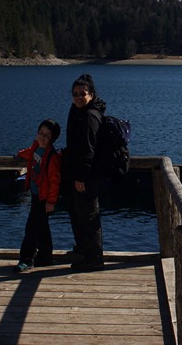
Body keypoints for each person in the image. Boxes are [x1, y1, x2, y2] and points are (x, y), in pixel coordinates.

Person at [63, 74, 107, 272]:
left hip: (86, 177)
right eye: (75, 94)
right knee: (78, 214)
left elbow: (89, 150)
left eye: (83, 94)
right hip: (76, 173)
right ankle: (83, 251)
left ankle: (94, 258)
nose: (78, 97)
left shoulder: (90, 116)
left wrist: (82, 177)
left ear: (91, 94)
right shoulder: (78, 111)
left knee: (89, 217)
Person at [14, 119, 62, 272]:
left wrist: (51, 201)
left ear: (52, 139)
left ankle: (26, 259)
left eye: (47, 136)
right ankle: (45, 256)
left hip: (44, 198)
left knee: (32, 228)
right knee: (42, 227)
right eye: (40, 133)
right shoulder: (35, 149)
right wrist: (19, 154)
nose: (42, 137)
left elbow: (55, 181)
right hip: (35, 195)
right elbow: (28, 154)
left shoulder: (52, 156)